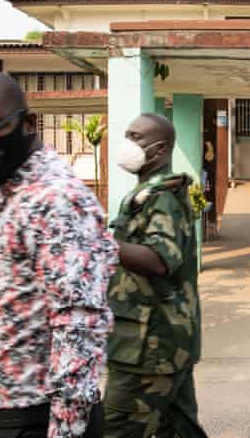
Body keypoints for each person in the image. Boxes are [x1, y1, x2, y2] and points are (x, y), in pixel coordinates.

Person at [0, 72, 117, 438]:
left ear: (28, 124)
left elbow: (78, 323)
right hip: (19, 414)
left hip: (42, 419)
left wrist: (67, 429)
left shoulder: (54, 199)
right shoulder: (19, 194)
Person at [104, 113, 206, 438]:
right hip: (158, 340)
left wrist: (97, 242)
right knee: (178, 431)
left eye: (136, 137)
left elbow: (159, 259)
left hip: (150, 346)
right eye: (127, 134)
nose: (126, 143)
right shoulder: (146, 195)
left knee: (115, 430)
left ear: (159, 149)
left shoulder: (162, 199)